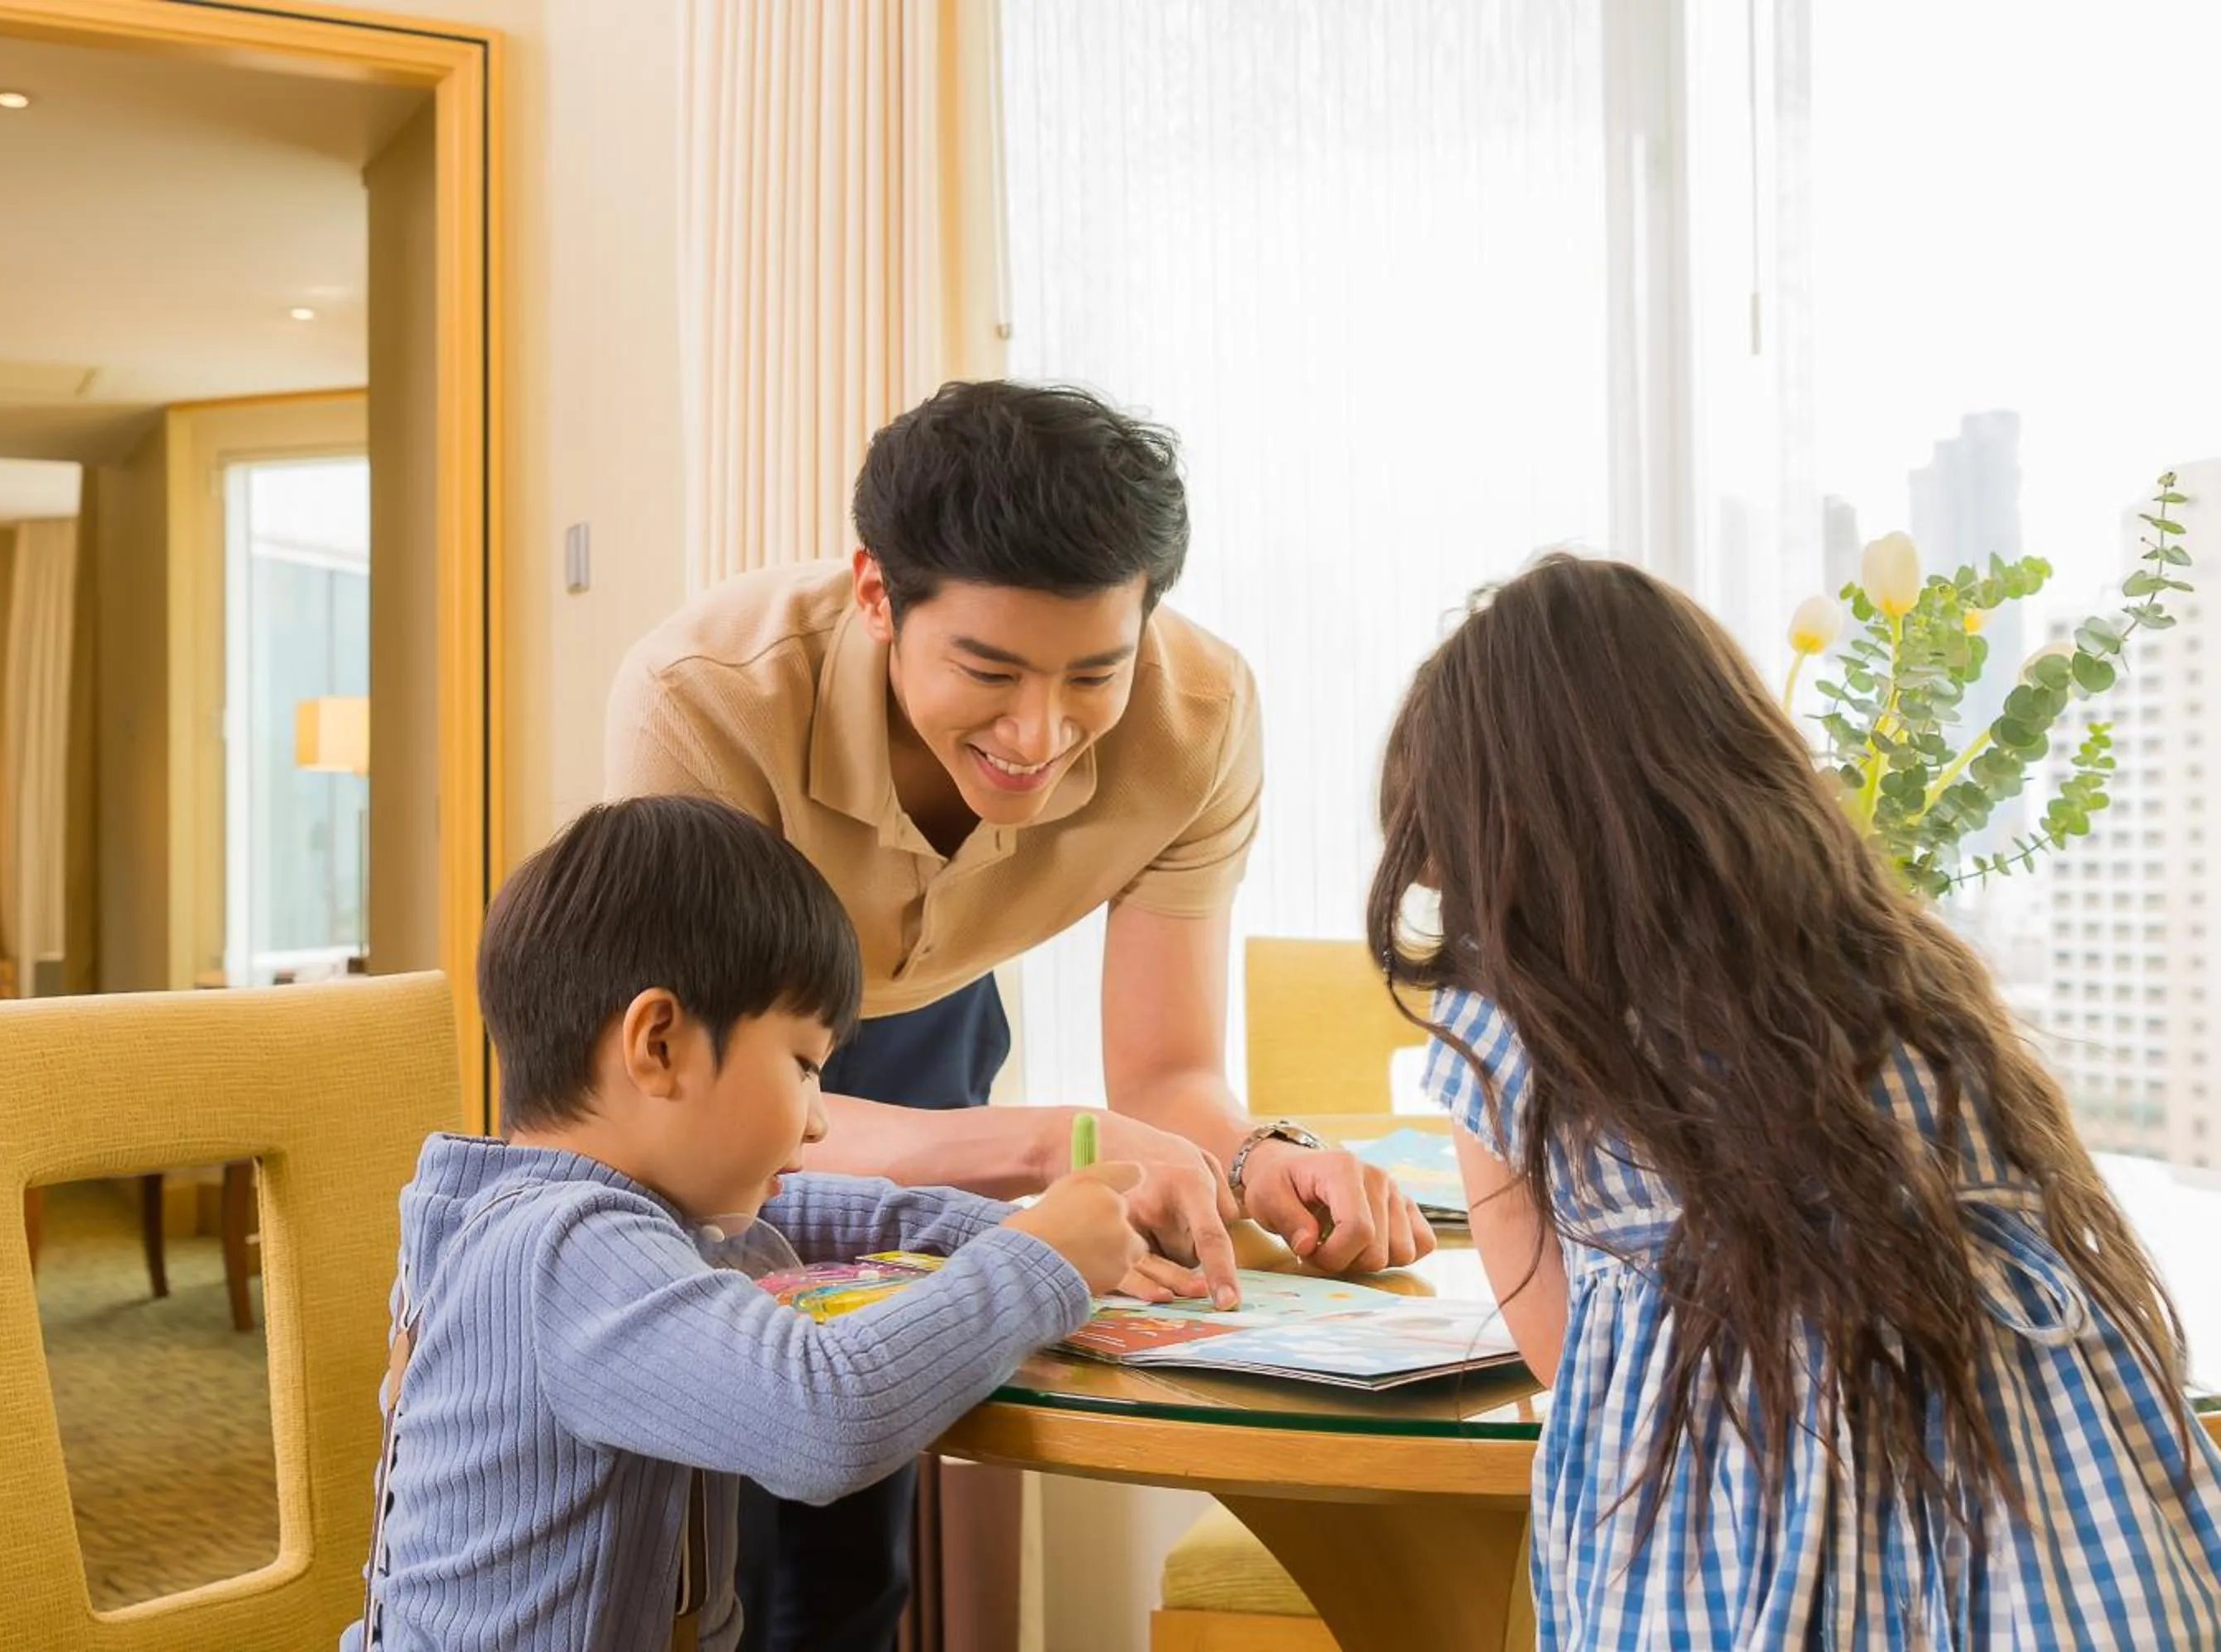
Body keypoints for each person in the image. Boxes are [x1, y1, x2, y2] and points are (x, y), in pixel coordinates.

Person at [606, 378, 1436, 1650]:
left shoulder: (1199, 718)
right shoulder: (708, 696)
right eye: (986, 671)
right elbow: (709, 1121)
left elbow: (1165, 1072)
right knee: (712, 1499)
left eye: (1093, 674)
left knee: (859, 1502)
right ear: (877, 594)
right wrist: (1054, 1144)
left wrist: (1260, 1152)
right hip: (690, 1067)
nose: (1038, 734)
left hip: (928, 1023)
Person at [1366, 552, 2221, 1647]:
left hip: (1728, 1559)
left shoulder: (1515, 1031)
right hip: (2052, 1551)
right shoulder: (1910, 975)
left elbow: (1555, 1345)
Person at [346, 795, 1148, 1652]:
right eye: (804, 1065)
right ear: (658, 1043)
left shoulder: (574, 1214)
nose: (818, 1120)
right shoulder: (567, 1249)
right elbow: (823, 1418)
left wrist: (1004, 1226)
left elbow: (815, 1211)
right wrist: (1035, 1259)